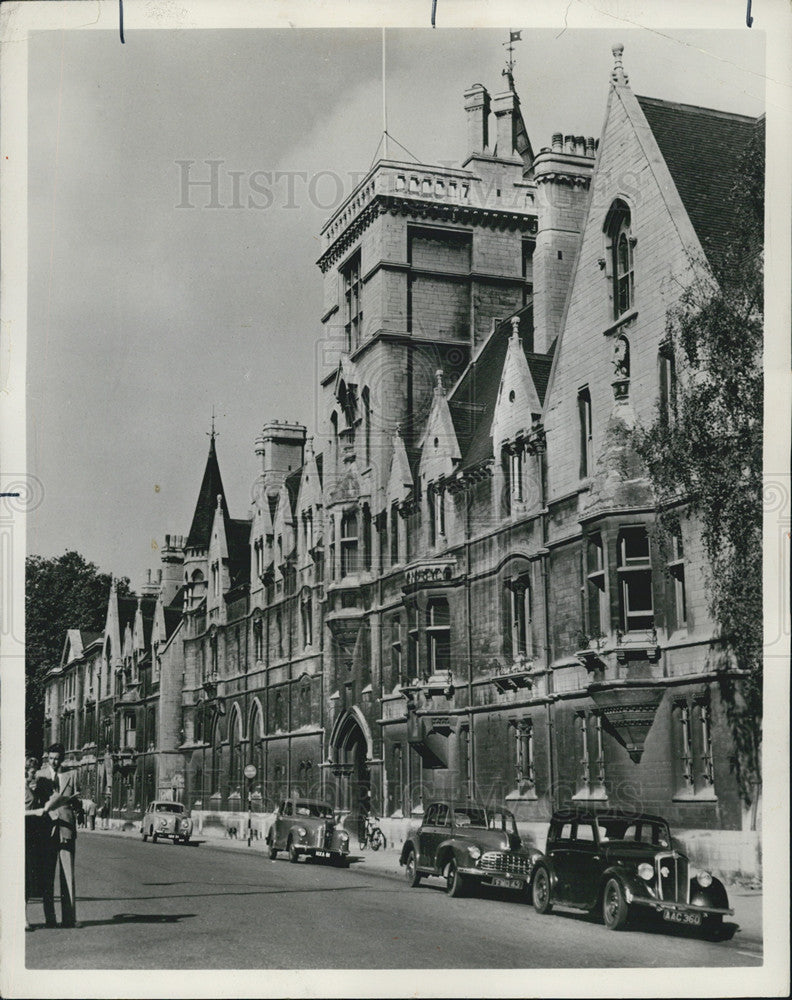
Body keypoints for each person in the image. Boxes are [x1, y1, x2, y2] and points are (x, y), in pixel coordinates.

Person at [37, 743, 79, 928]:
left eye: (58, 758)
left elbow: (75, 801)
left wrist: (77, 804)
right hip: (46, 829)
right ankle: (50, 918)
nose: (54, 762)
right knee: (47, 875)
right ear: (47, 758)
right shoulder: (39, 776)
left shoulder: (71, 775)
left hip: (66, 829)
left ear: (63, 758)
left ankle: (69, 918)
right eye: (51, 758)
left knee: (67, 874)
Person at [24, 756, 47, 931]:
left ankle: (22, 916)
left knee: (28, 878)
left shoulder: (30, 787)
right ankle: (22, 918)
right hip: (22, 834)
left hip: (31, 835)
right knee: (23, 878)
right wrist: (37, 812)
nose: (34, 775)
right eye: (32, 772)